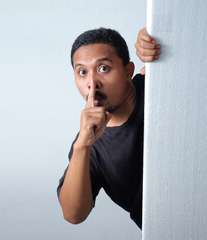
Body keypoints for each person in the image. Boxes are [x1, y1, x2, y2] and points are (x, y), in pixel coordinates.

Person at [57, 27, 161, 229]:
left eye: (103, 68)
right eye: (82, 72)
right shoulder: (88, 145)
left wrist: (156, 34)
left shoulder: (157, 84)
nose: (92, 83)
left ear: (128, 71)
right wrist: (82, 147)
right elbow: (73, 214)